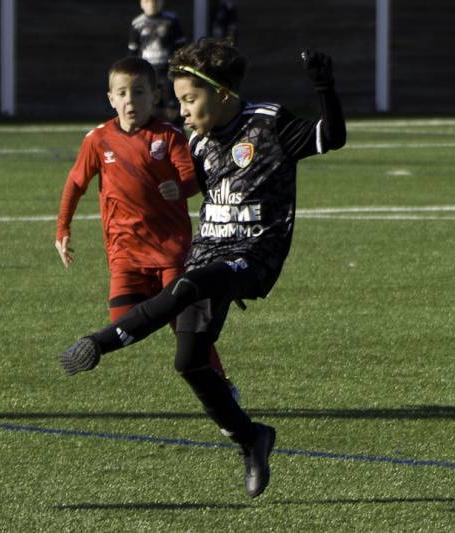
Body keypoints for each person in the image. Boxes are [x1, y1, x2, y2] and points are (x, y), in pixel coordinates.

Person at [59, 38, 346, 499]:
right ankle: (251, 437)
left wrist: (324, 86)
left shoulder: (269, 125)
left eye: (190, 100)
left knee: (190, 285)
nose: (183, 110)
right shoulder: (196, 140)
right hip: (208, 252)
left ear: (223, 95)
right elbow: (178, 185)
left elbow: (330, 137)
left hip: (253, 255)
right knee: (188, 360)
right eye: (179, 102)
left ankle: (99, 343)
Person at [55, 56, 232, 386]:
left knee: (187, 331)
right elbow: (76, 183)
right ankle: (162, 306)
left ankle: (222, 385)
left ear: (155, 96)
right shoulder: (98, 140)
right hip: (126, 251)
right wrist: (63, 228)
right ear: (111, 99)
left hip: (171, 250)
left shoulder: (169, 137)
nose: (129, 101)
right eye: (121, 93)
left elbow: (193, 181)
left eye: (138, 93)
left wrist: (178, 188)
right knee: (121, 321)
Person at [128, 0, 187, 123]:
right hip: (147, 71)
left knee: (171, 104)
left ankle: (175, 133)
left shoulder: (171, 21)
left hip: (167, 70)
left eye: (155, 1)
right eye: (148, 1)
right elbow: (133, 52)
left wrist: (178, 67)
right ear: (141, 3)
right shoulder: (137, 23)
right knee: (150, 104)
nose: (152, 4)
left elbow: (181, 47)